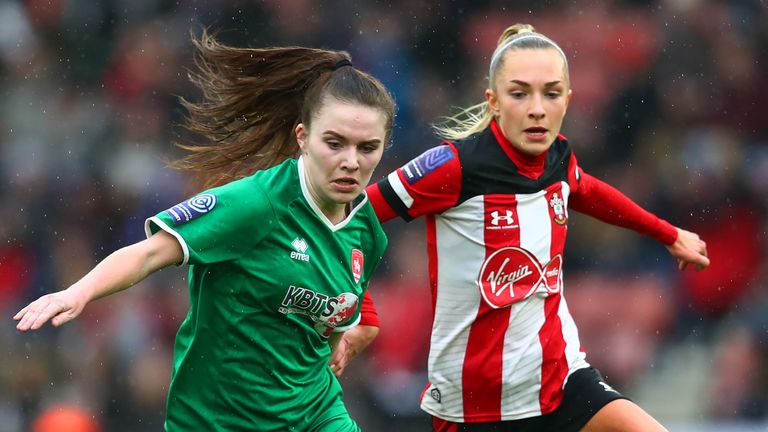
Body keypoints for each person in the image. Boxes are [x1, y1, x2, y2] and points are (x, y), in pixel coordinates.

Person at [14, 30, 396, 432]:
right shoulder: (255, 204)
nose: (351, 161)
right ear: (302, 137)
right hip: (219, 421)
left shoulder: (369, 230)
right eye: (335, 143)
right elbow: (149, 253)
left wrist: (351, 333)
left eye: (367, 147)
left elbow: (339, 305)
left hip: (316, 415)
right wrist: (77, 292)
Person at [340, 23, 710, 431]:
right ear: (493, 102)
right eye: (520, 94)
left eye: (551, 94)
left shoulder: (558, 158)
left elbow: (588, 190)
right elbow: (353, 219)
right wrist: (361, 311)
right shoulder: (452, 167)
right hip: (474, 404)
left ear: (567, 100)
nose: (537, 108)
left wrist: (669, 234)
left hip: (561, 380)